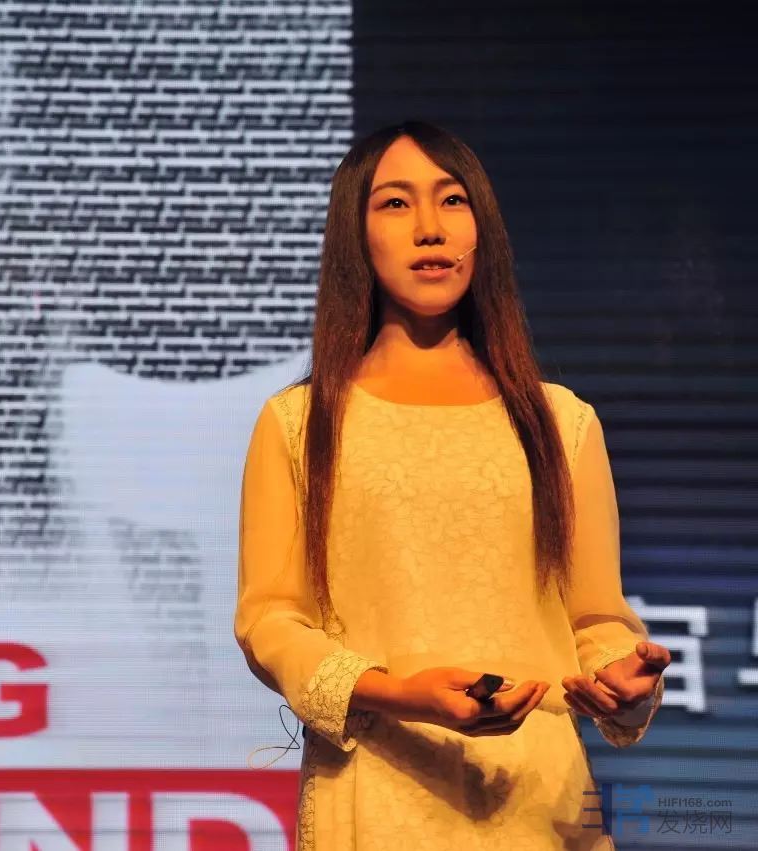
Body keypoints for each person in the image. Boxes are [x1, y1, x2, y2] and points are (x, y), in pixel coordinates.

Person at [234, 121, 671, 850]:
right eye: (395, 203)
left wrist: (622, 680)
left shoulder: (561, 422)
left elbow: (596, 622)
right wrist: (398, 693)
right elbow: (271, 621)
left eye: (452, 200)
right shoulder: (300, 424)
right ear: (355, 236)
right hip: (375, 789)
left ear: (482, 230)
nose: (430, 228)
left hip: (540, 801)